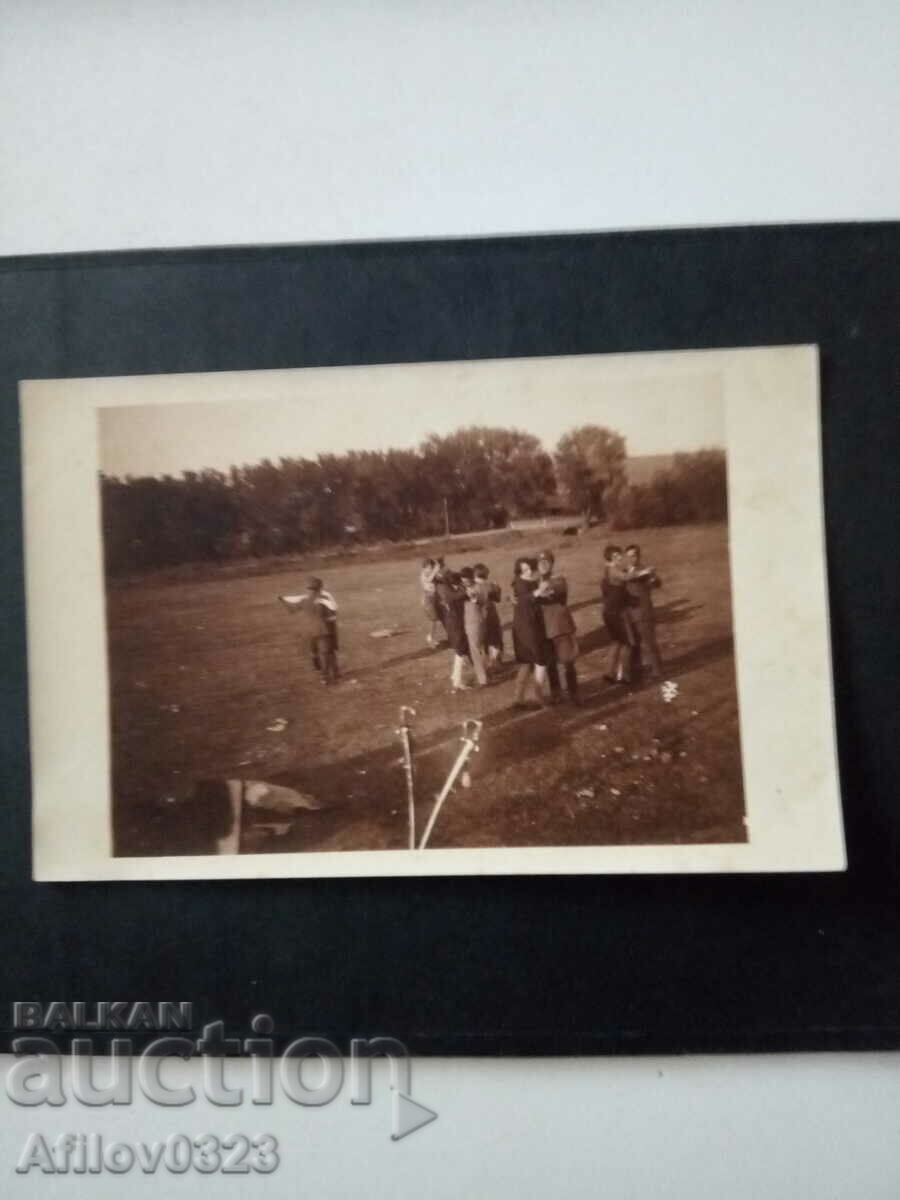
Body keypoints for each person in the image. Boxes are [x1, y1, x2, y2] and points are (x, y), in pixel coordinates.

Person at [536, 549, 579, 704]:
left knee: (568, 662)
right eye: (540, 562)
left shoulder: (559, 580)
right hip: (544, 629)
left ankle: (574, 693)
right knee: (550, 664)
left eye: (546, 562)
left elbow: (551, 592)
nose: (543, 565)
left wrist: (536, 592)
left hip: (561, 627)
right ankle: (556, 693)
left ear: (552, 564)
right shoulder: (535, 582)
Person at [511, 557, 551, 708]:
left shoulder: (531, 582)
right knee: (539, 661)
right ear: (519, 571)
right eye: (524, 570)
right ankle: (536, 696)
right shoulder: (519, 583)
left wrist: (545, 594)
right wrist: (539, 592)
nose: (527, 572)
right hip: (526, 628)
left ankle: (518, 698)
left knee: (526, 663)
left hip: (532, 625)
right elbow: (524, 599)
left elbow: (537, 599)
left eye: (529, 569)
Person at [624, 543, 663, 678]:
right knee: (634, 645)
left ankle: (657, 671)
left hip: (643, 613)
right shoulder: (624, 572)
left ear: (638, 556)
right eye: (628, 556)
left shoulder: (645, 570)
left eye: (633, 556)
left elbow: (656, 583)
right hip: (630, 615)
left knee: (649, 643)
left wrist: (653, 578)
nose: (631, 559)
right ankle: (637, 672)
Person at [601, 546, 638, 684]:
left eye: (619, 555)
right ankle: (625, 676)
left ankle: (609, 673)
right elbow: (627, 577)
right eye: (615, 556)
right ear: (610, 558)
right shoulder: (613, 570)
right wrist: (634, 568)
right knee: (628, 643)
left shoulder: (608, 570)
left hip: (608, 612)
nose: (619, 558)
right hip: (617, 613)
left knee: (616, 642)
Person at [297, 576, 339, 684]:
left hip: (308, 630)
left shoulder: (303, 600)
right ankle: (325, 676)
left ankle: (332, 671)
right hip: (323, 630)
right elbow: (332, 617)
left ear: (308, 588)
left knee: (315, 652)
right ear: (320, 588)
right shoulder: (323, 600)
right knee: (327, 652)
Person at [436, 568, 472, 692]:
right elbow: (459, 596)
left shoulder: (443, 588)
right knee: (460, 652)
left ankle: (455, 677)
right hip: (456, 625)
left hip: (452, 624)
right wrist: (465, 588)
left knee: (460, 651)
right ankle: (457, 681)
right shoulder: (451, 592)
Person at [474, 562, 503, 665]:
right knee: (495, 639)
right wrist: (498, 588)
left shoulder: (473, 587)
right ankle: (494, 660)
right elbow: (498, 599)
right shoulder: (490, 585)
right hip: (491, 614)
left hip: (478, 617)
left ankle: (487, 662)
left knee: (484, 641)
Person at [463, 575, 489, 687]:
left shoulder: (470, 590)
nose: (463, 582)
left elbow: (476, 600)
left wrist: (473, 597)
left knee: (475, 651)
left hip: (473, 623)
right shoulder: (481, 586)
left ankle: (482, 679)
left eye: (464, 580)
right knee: (481, 648)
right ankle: (486, 673)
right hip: (481, 621)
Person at [420, 557, 444, 647]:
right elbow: (429, 580)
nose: (430, 570)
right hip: (428, 600)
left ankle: (431, 637)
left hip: (434, 599)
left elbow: (440, 577)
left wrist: (438, 570)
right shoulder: (424, 575)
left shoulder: (432, 574)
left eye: (431, 567)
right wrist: (435, 570)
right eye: (428, 568)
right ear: (424, 568)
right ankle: (430, 638)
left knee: (436, 619)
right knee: (433, 620)